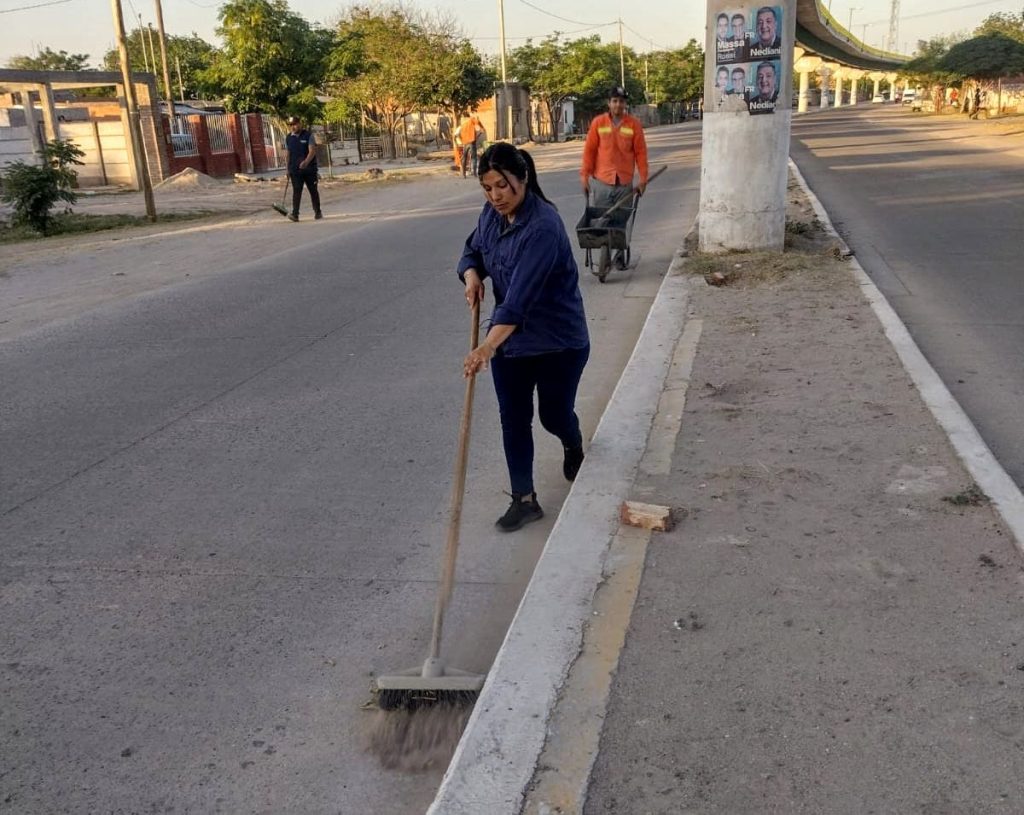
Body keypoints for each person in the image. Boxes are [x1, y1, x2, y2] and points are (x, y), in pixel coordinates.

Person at [458, 143, 590, 532]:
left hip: (558, 342)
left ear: (524, 179)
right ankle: (525, 499)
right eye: (487, 187)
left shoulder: (544, 227)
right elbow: (472, 252)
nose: (495, 196)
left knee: (553, 415)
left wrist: (486, 347)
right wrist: (471, 275)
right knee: (513, 419)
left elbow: (518, 301)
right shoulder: (491, 215)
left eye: (502, 185)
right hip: (511, 343)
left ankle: (572, 440)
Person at [581, 86, 649, 269]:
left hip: (624, 184)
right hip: (602, 182)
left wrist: (643, 180)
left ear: (625, 103)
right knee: (602, 220)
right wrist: (584, 176)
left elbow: (641, 154)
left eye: (621, 101)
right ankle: (605, 251)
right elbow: (589, 151)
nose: (618, 105)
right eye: (614, 101)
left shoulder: (633, 125)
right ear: (609, 103)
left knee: (620, 222)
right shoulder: (598, 123)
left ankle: (619, 254)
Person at [285, 115, 322, 222]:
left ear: (300, 123)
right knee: (297, 191)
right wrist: (287, 169)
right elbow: (288, 154)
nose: (293, 127)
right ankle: (295, 214)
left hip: (309, 169)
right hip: (295, 170)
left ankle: (318, 212)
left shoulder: (308, 135)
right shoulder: (288, 138)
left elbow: (312, 151)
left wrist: (306, 162)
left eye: (295, 124)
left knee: (313, 191)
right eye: (291, 125)